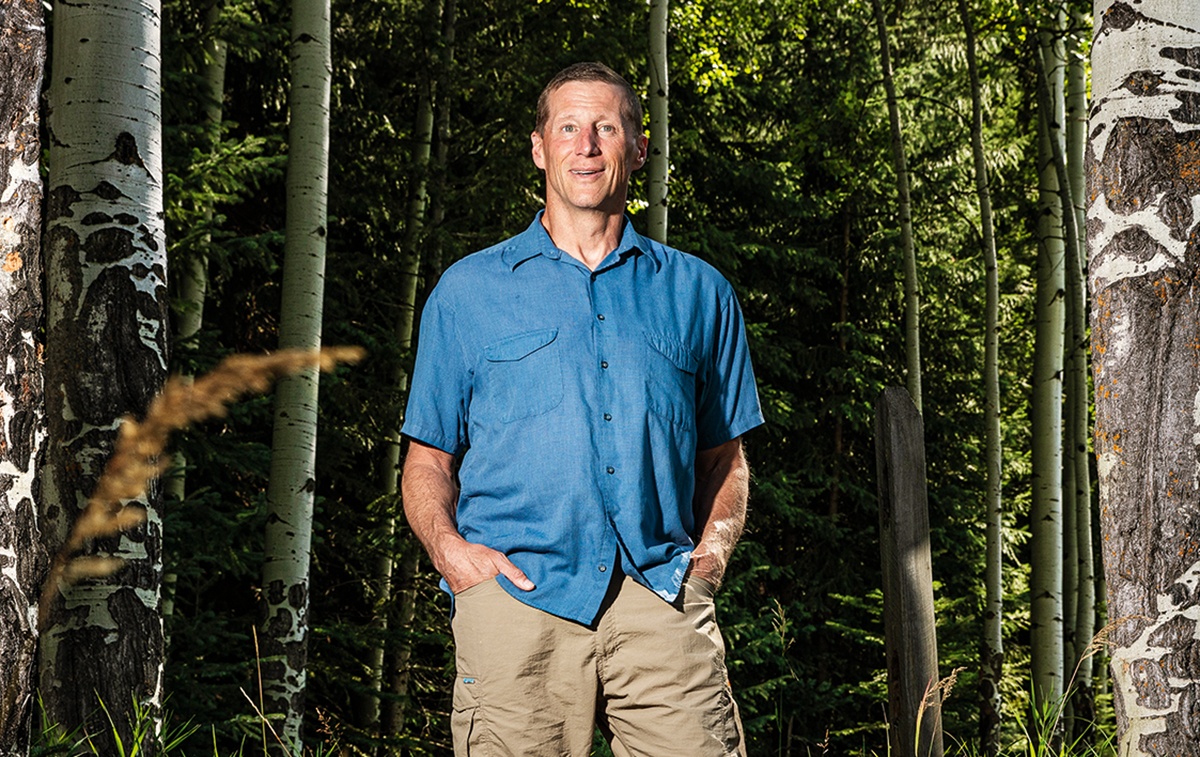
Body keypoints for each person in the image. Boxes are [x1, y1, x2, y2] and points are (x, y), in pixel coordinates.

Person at [400, 61, 764, 757]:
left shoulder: (700, 293)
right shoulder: (466, 293)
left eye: (606, 127)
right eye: (568, 128)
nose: (586, 145)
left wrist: (709, 561)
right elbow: (428, 462)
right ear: (540, 149)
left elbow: (726, 459)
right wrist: (455, 560)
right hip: (516, 603)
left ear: (639, 147)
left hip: (662, 600)